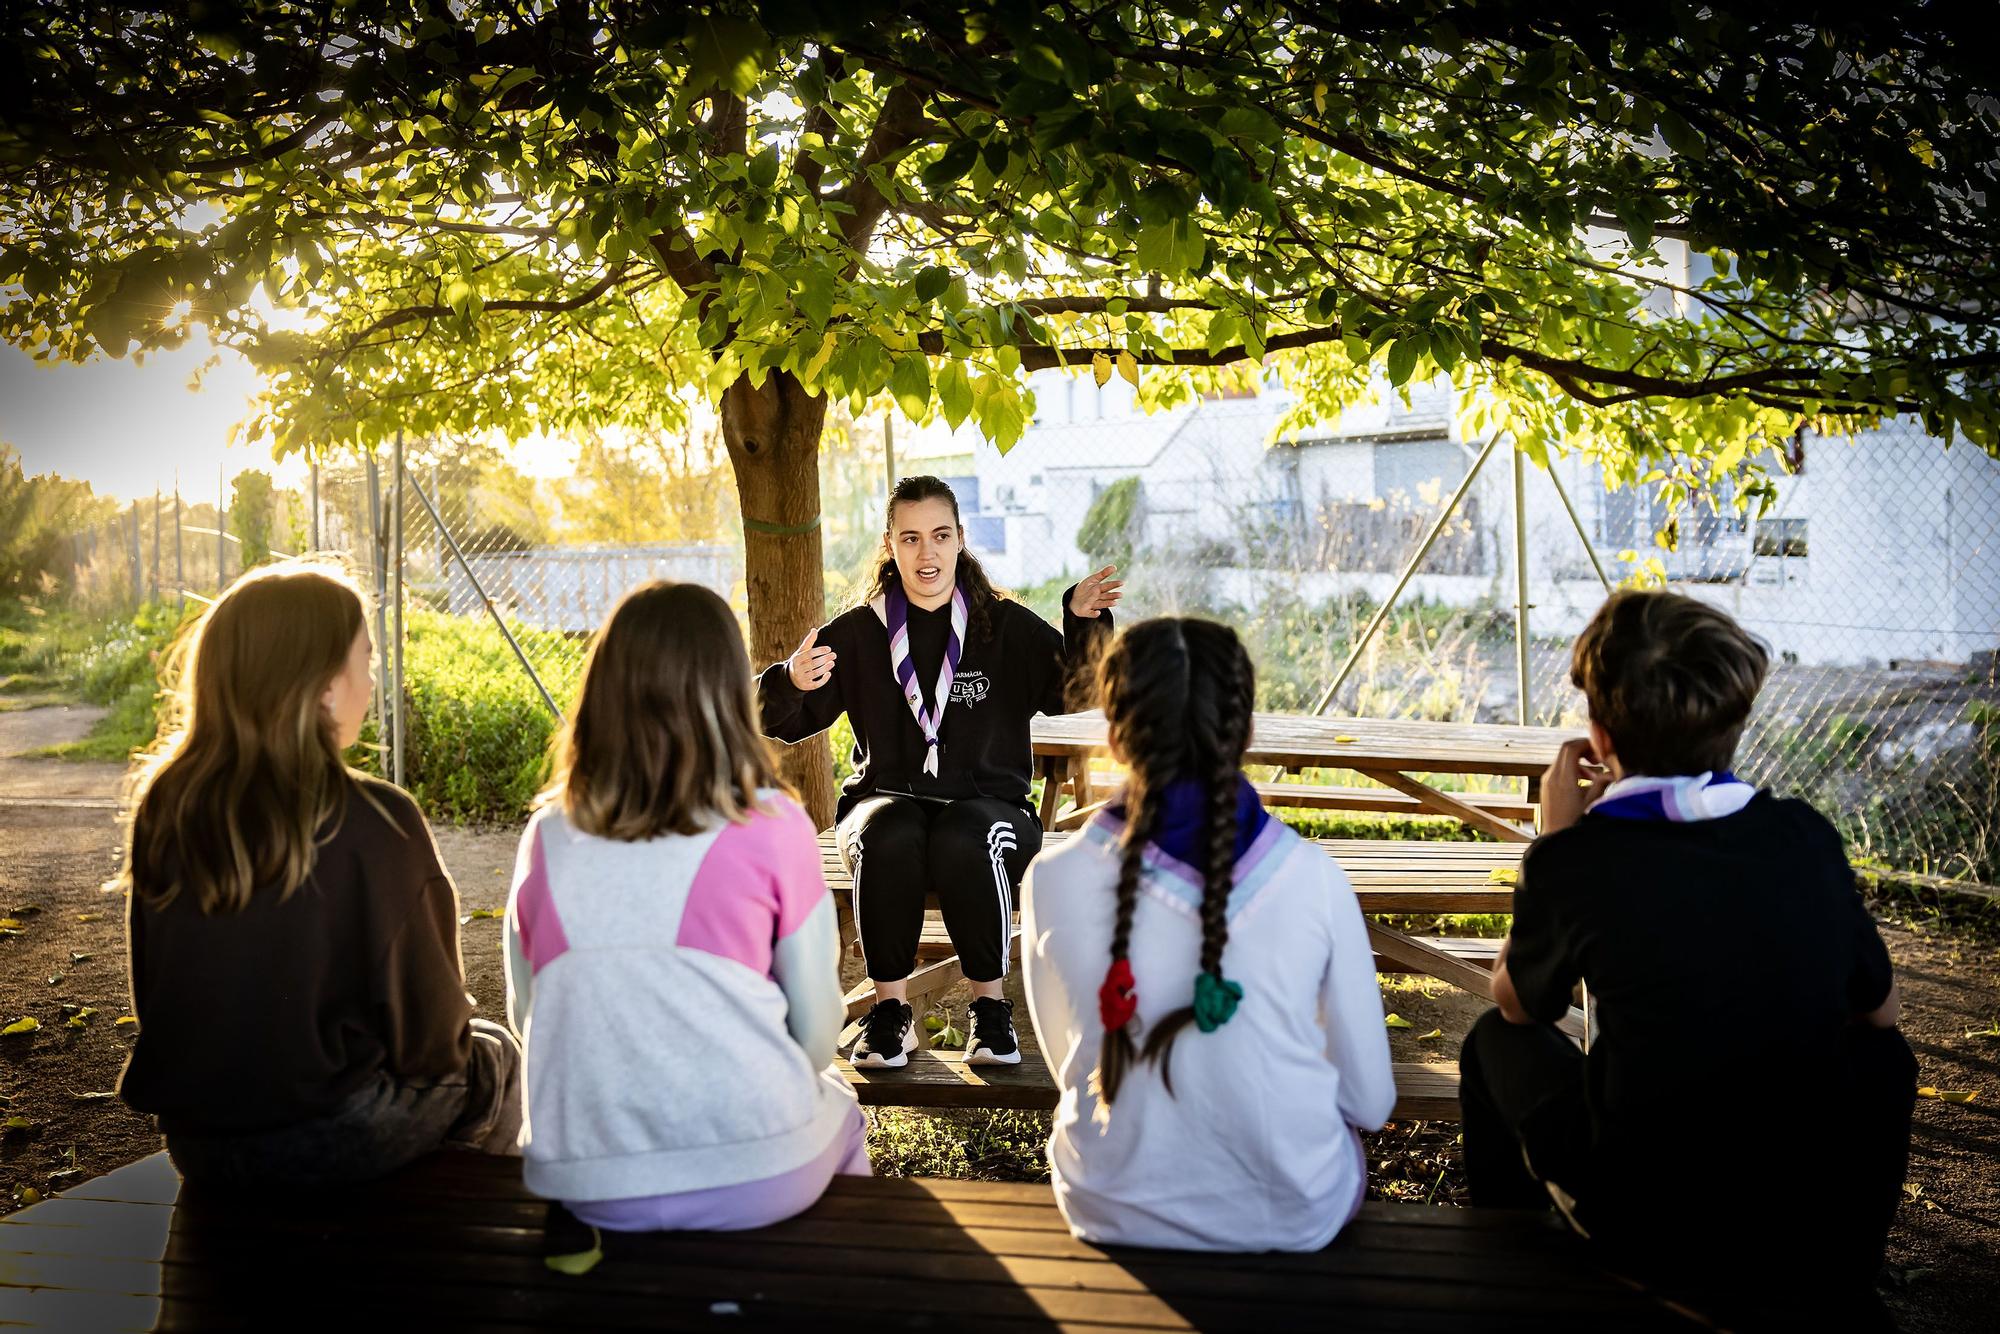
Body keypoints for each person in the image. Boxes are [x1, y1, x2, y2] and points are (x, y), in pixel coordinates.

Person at [1461, 589, 1916, 1324]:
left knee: (1491, 1042)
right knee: (1884, 1056)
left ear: (1599, 736)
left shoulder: (1579, 860)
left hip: (1649, 1230)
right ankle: (1846, 1267)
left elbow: (1517, 1003)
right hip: (1802, 1214)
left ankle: (1516, 1272)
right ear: (1732, 723)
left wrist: (1554, 843)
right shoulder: (1803, 836)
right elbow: (1882, 1012)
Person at [116, 560, 520, 1188]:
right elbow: (435, 1041)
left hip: (199, 1146)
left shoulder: (170, 805)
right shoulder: (378, 817)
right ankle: (475, 1229)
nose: (373, 679)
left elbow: (160, 997)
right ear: (327, 686)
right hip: (335, 1136)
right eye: (367, 659)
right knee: (495, 1055)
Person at [1020, 617, 1396, 1251]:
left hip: (1107, 1208)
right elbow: (1371, 1102)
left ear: (1114, 739)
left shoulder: (1050, 878)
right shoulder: (1313, 878)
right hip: (1289, 1217)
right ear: (1245, 734)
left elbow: (1069, 1068)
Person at [506, 581, 863, 1231]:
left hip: (589, 1181)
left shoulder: (547, 835)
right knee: (841, 1108)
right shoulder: (772, 823)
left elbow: (529, 1016)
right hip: (755, 1175)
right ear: (729, 694)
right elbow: (816, 1037)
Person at [759, 475, 1118, 1069]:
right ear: (890, 544)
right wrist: (789, 681)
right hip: (886, 805)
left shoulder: (1003, 625)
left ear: (960, 539)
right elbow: (781, 719)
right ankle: (891, 1015)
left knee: (965, 833)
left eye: (940, 535)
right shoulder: (860, 632)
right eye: (911, 538)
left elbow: (1078, 691)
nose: (926, 552)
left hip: (992, 811)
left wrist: (1082, 621)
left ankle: (990, 1012)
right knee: (885, 829)